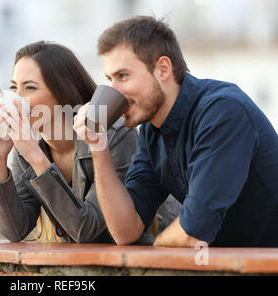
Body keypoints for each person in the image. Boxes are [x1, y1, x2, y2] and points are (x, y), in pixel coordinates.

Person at [73, 16, 278, 247]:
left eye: (123, 76)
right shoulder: (152, 130)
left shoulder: (222, 112)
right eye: (110, 79)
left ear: (163, 69)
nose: (115, 91)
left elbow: (193, 231)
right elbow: (125, 231)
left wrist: (157, 252)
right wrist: (98, 146)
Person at [0, 41, 176, 243]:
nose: (16, 98)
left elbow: (87, 229)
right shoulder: (27, 150)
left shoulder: (113, 134)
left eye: (30, 88)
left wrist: (37, 159)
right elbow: (15, 229)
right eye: (14, 87)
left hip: (154, 257)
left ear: (61, 92)